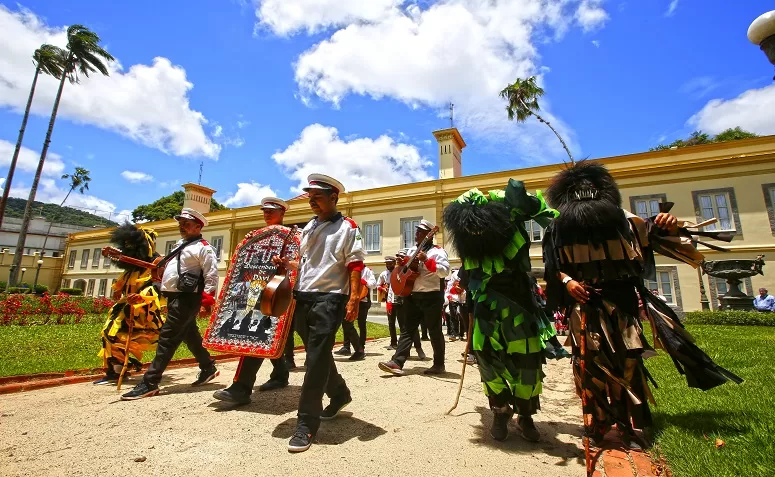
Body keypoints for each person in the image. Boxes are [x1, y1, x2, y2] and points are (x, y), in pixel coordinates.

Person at [542, 161, 742, 448]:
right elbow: (553, 268)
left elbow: (664, 237)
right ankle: (597, 421)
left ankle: (630, 424)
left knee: (628, 362)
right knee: (588, 365)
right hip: (583, 307)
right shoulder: (557, 230)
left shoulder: (629, 224)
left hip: (622, 305)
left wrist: (668, 225)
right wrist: (568, 282)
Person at [441, 181, 559, 441]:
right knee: (486, 358)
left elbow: (536, 208)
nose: (476, 230)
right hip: (484, 307)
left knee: (527, 361)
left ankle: (525, 415)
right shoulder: (470, 246)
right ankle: (500, 410)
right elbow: (467, 278)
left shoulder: (511, 222)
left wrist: (515, 201)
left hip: (520, 304)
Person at [276, 174, 365, 453]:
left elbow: (355, 264)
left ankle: (306, 424)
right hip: (303, 296)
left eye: (317, 197)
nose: (312, 202)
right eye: (310, 197)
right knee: (319, 354)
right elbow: (308, 263)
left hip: (330, 299)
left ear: (333, 197)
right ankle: (340, 394)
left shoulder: (347, 227)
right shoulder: (309, 227)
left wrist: (353, 298)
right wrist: (288, 264)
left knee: (314, 361)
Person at [121, 208, 220, 400]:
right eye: (181, 224)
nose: (182, 227)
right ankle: (208, 367)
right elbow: (168, 275)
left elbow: (211, 276)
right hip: (176, 296)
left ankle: (150, 382)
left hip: (188, 298)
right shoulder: (179, 246)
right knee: (189, 334)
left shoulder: (203, 248)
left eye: (187, 224)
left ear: (198, 227)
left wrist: (206, 302)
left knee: (167, 337)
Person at [212, 197, 299, 405]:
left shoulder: (294, 237)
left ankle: (333, 387)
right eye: (265, 211)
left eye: (272, 211)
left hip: (288, 295)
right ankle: (246, 386)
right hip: (261, 293)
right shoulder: (256, 237)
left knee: (309, 343)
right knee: (262, 332)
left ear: (282, 213)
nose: (267, 214)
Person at [94, 224, 165, 385]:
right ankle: (116, 370)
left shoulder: (156, 264)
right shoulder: (132, 267)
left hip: (144, 311)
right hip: (125, 306)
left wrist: (141, 297)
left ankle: (119, 370)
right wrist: (119, 289)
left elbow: (158, 287)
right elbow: (123, 282)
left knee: (114, 334)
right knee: (110, 335)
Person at [378, 219, 449, 376]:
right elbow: (405, 269)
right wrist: (400, 264)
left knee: (434, 331)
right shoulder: (411, 251)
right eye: (417, 231)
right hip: (412, 295)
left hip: (431, 295)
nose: (416, 233)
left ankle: (439, 364)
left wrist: (427, 260)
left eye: (421, 232)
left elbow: (444, 271)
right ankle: (397, 362)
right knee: (407, 330)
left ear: (429, 235)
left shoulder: (438, 252)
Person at [335, 265, 377, 360]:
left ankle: (361, 346)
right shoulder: (347, 269)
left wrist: (364, 282)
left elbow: (374, 284)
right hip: (349, 300)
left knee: (361, 324)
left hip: (363, 301)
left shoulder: (367, 271)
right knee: (346, 322)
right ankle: (347, 347)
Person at [377, 256, 399, 349]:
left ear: (394, 263)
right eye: (387, 264)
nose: (388, 265)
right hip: (389, 300)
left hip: (399, 299)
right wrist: (382, 288)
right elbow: (378, 284)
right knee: (391, 322)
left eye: (390, 263)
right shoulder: (383, 274)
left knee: (402, 322)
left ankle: (404, 342)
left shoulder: (399, 271)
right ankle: (393, 342)